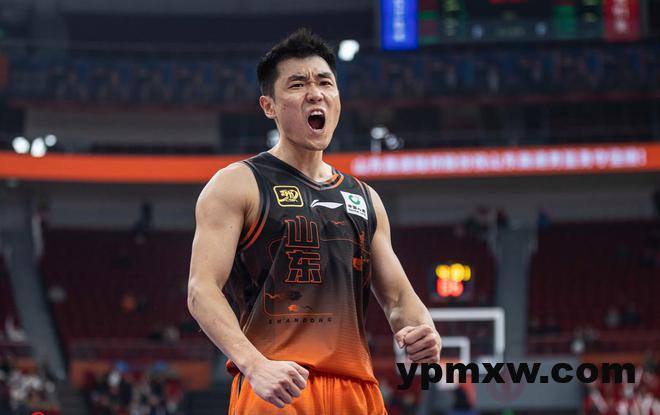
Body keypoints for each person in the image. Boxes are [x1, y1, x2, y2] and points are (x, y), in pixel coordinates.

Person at [187, 28, 442, 414]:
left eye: (325, 82)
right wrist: (254, 364)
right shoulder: (237, 184)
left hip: (357, 391)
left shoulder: (364, 197)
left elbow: (399, 299)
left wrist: (424, 330)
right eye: (297, 84)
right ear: (269, 106)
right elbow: (201, 290)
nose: (315, 93)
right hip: (277, 385)